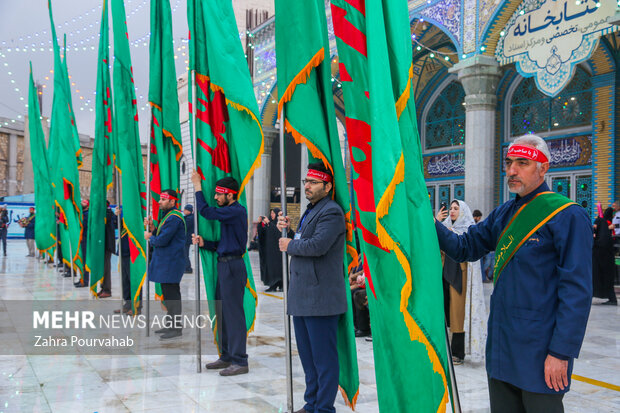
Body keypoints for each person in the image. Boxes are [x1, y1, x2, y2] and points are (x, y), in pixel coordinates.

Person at [435, 134, 591, 413]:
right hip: (502, 348)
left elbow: (576, 291)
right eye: (508, 163)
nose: (511, 171)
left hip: (541, 351)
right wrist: (426, 220)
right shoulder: (503, 213)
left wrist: (561, 352)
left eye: (522, 163)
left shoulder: (567, 215)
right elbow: (465, 247)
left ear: (544, 168)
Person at [278, 162, 347, 413]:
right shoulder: (311, 210)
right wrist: (290, 232)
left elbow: (318, 246)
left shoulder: (332, 212)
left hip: (321, 297)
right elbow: (304, 239)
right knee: (308, 359)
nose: (307, 186)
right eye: (306, 181)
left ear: (327, 186)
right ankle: (311, 404)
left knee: (323, 360)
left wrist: (289, 244)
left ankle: (324, 408)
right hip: (303, 295)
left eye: (314, 182)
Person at [191, 172, 250, 377]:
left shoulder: (236, 211)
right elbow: (225, 244)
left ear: (231, 195)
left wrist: (198, 186)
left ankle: (240, 360)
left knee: (233, 314)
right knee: (223, 313)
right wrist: (205, 243)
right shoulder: (230, 213)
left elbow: (206, 212)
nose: (216, 197)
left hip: (233, 267)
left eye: (219, 194)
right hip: (224, 265)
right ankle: (226, 355)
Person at [437, 200, 487, 365]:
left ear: (463, 212)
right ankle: (443, 348)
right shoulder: (442, 227)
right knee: (444, 311)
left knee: (457, 313)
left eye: (456, 208)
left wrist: (453, 235)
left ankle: (457, 352)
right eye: (450, 208)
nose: (452, 211)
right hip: (444, 273)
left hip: (460, 275)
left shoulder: (467, 230)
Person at [144, 189, 186, 340]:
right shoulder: (168, 216)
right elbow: (161, 235)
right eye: (160, 199)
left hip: (171, 262)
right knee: (168, 296)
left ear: (173, 201)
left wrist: (149, 237)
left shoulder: (174, 217)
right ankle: (170, 325)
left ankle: (176, 328)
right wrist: (152, 229)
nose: (159, 202)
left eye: (163, 199)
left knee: (172, 296)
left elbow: (162, 240)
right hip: (166, 261)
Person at [264, 208, 293, 292]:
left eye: (273, 213)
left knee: (279, 268)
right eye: (271, 213)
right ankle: (273, 284)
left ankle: (281, 284)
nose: (272, 215)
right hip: (271, 251)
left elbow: (280, 233)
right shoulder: (270, 224)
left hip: (279, 251)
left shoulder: (278, 224)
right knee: (272, 268)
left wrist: (269, 223)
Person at [592, 207, 617, 305]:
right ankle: (612, 298)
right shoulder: (608, 233)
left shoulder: (597, 241)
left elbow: (594, 233)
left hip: (600, 258)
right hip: (608, 260)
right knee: (608, 278)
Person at [98, 201, 115, 298]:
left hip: (106, 245)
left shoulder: (108, 213)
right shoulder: (105, 213)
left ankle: (107, 290)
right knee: (102, 268)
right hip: (101, 245)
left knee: (106, 268)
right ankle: (103, 287)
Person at [75, 199, 90, 288]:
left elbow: (84, 226)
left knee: (84, 261)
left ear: (87, 205)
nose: (81, 203)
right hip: (81, 240)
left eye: (84, 202)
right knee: (81, 260)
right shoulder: (82, 214)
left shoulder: (87, 215)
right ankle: (81, 278)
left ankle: (85, 281)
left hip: (85, 239)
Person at [183, 204, 195, 274]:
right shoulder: (189, 217)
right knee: (185, 253)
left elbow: (184, 226)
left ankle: (188, 268)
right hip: (186, 238)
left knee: (185, 254)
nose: (184, 211)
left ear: (189, 211)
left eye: (185, 210)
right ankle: (186, 267)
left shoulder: (189, 218)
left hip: (186, 239)